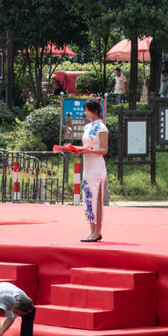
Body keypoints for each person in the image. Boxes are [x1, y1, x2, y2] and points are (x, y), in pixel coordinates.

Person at [78, 98, 108, 242]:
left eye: (88, 110)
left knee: (97, 198)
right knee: (88, 197)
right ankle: (91, 231)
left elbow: (104, 149)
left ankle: (98, 231)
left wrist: (88, 150)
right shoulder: (86, 127)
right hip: (87, 166)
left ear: (95, 111)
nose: (86, 113)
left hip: (97, 166)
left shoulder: (102, 128)